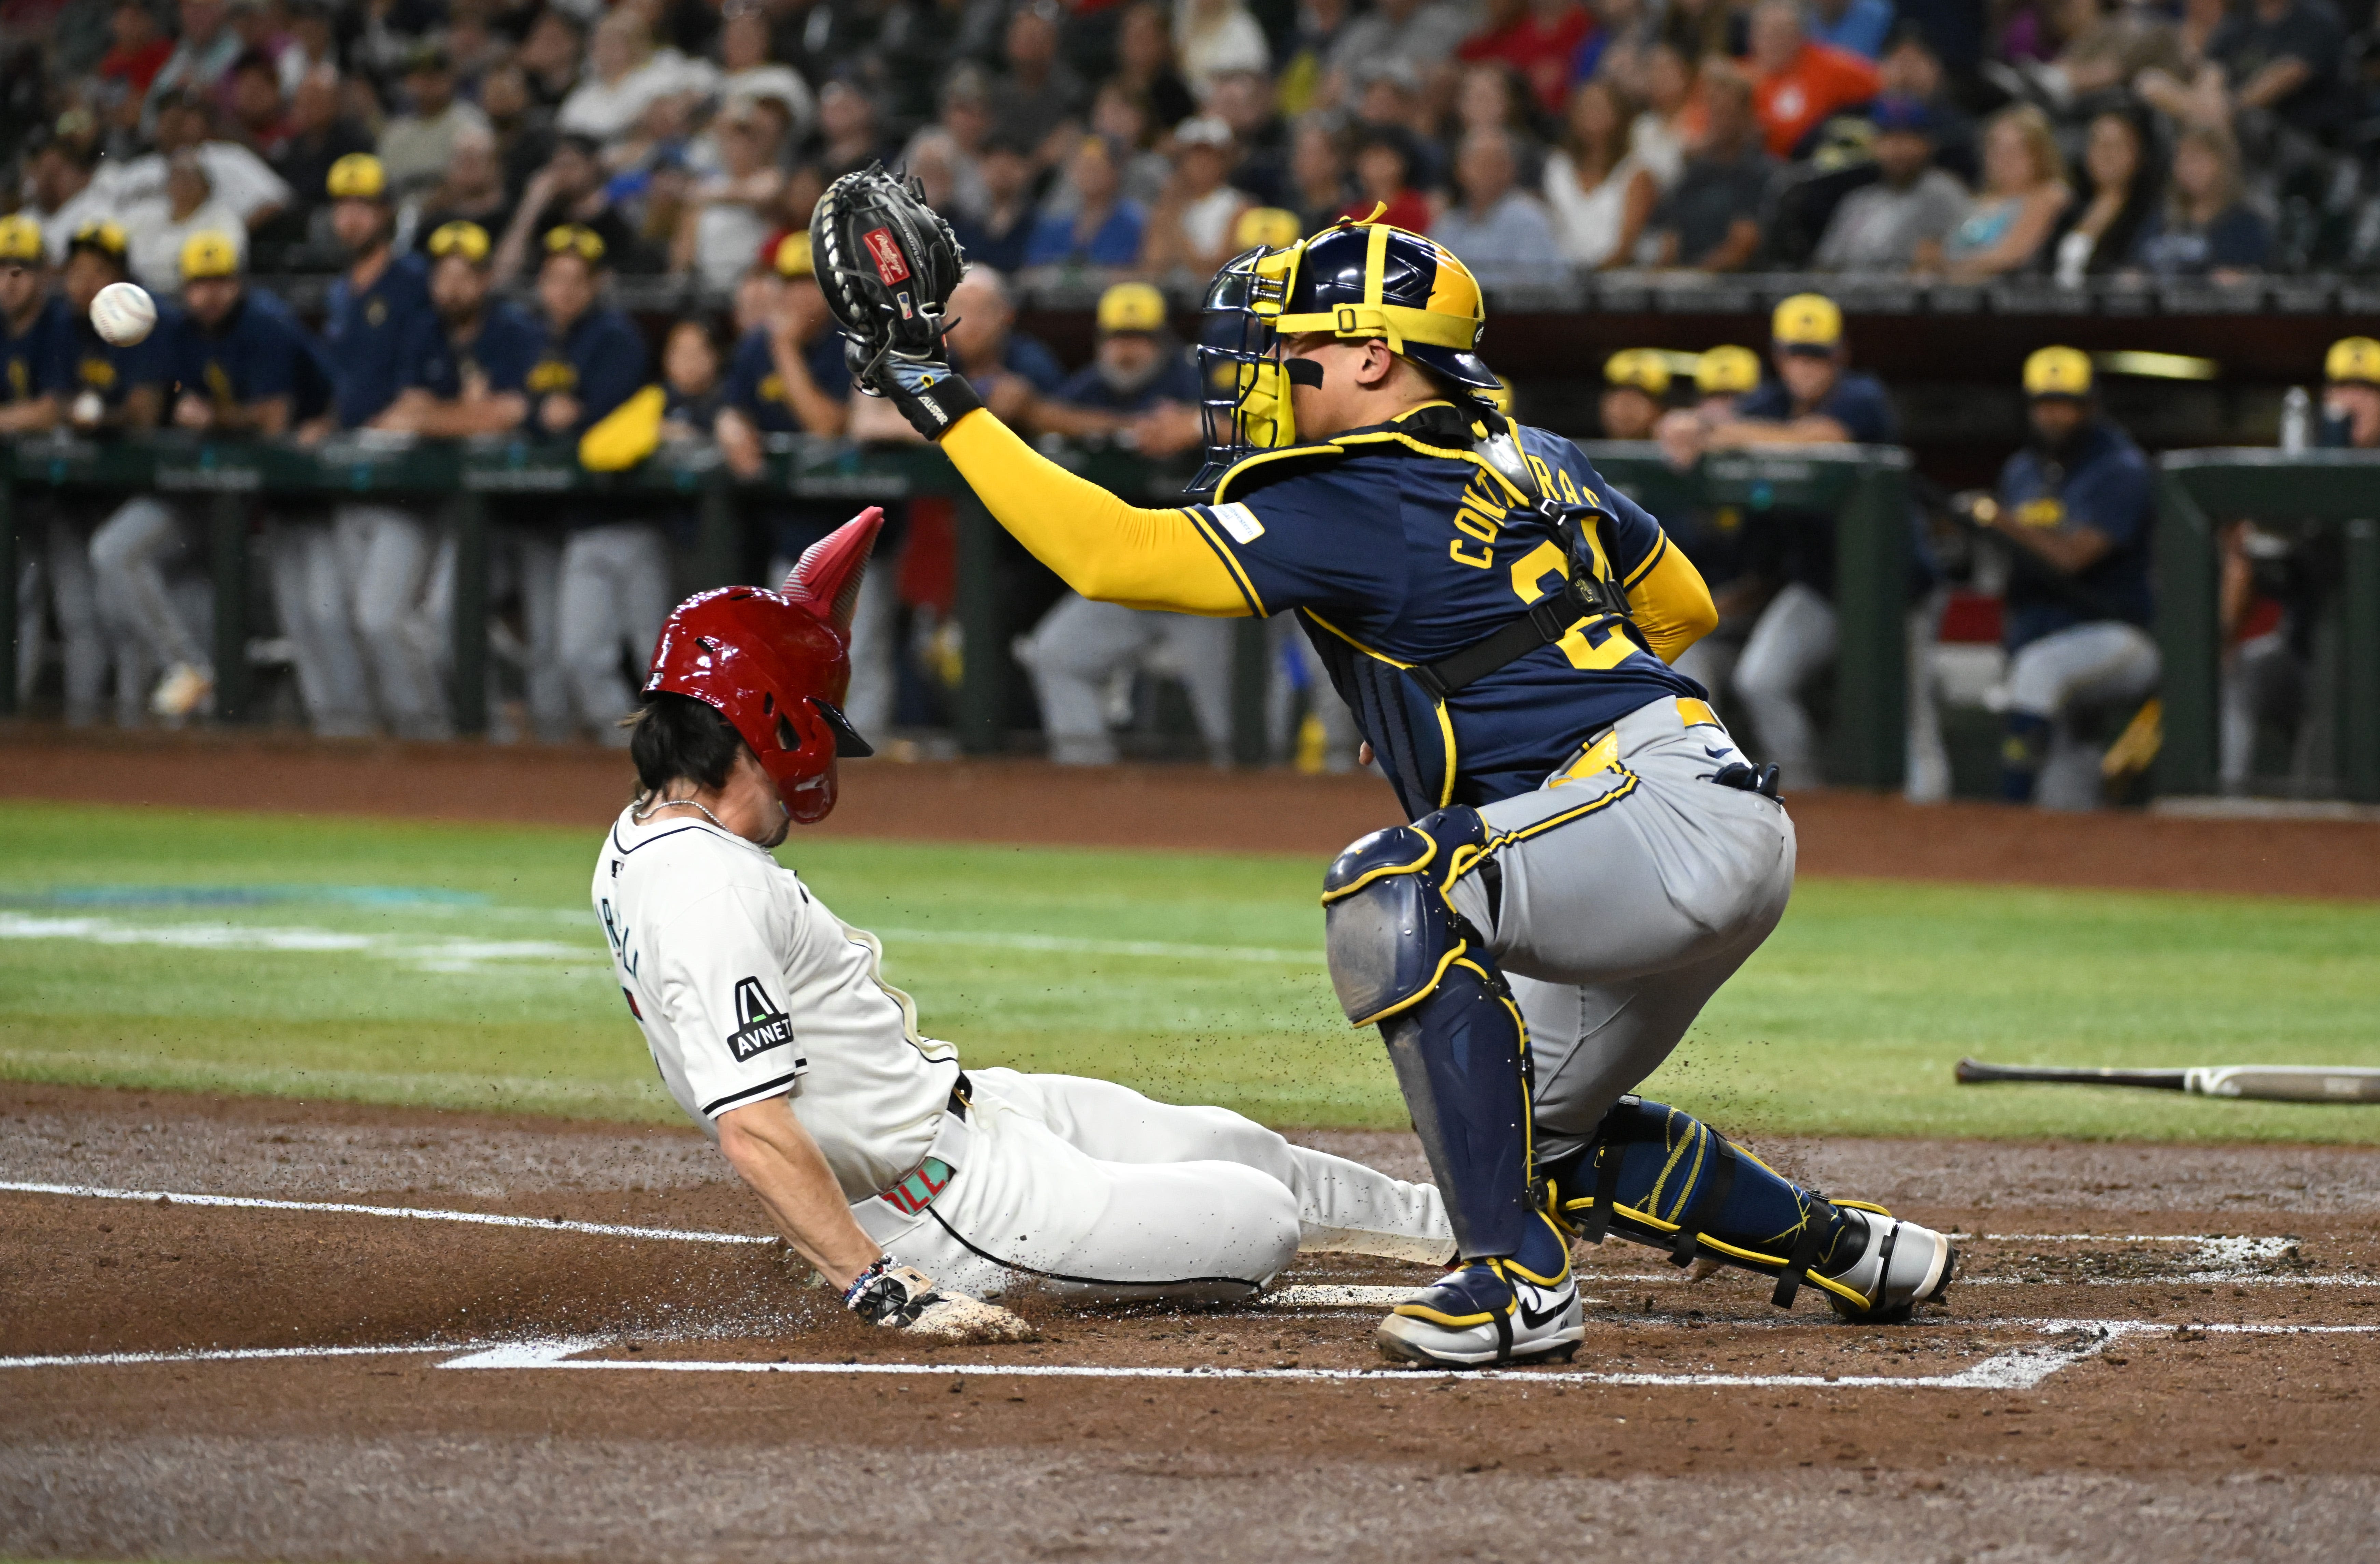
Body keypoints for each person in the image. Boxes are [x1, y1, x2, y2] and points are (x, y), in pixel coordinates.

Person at [823, 183, 1956, 1365]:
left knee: (1395, 887)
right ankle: (1856, 1251)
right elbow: (1680, 604)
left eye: (1297, 348)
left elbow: (1111, 555)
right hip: (1679, 804)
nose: (1270, 373)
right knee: (1538, 1151)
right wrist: (1498, 673)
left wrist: (929, 391)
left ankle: (1516, 1286)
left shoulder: (1356, 485)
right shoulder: (1537, 451)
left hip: (1653, 818)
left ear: (1374, 358)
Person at [596, 519, 1450, 1323]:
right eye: (812, 716)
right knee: (1261, 1217)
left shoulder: (648, 836)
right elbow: (752, 1122)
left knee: (1243, 1145)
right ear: (770, 720)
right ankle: (860, 1248)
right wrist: (876, 1281)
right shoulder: (704, 889)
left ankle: (1469, 1223)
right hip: (952, 1213)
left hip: (978, 1113)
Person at [1658, 293, 1897, 788]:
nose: (1806, 367)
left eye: (1818, 354)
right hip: (1819, 582)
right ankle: (1805, 793)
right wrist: (1689, 423)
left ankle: (1924, 828)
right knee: (1761, 678)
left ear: (1841, 355)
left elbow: (1824, 438)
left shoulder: (1863, 396)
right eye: (1796, 354)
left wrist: (1722, 435)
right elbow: (1706, 424)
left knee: (1908, 718)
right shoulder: (1771, 402)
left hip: (1893, 587)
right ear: (1779, 356)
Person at [88, 230, 322, 726]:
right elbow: (151, 408)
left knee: (310, 618)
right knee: (118, 559)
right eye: (199, 284)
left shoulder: (266, 324)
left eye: (219, 282)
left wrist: (213, 417)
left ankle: (200, 682)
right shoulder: (177, 330)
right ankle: (190, 672)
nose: (210, 294)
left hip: (290, 495)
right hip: (204, 492)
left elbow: (275, 419)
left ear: (238, 283)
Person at [1015, 282, 1223, 766]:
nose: (1127, 350)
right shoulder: (1095, 383)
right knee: (1056, 654)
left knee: (1232, 723)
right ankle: (1092, 794)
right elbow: (1046, 414)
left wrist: (1193, 425)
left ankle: (1260, 817)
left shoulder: (1192, 378)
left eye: (1140, 338)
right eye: (1117, 338)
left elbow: (1255, 426)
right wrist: (1122, 429)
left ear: (1161, 342)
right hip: (1130, 579)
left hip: (1207, 583)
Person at [1978, 347, 2157, 809]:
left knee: (2039, 670)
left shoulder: (2122, 467)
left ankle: (2008, 808)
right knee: (2067, 801)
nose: (2055, 414)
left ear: (2091, 405)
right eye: (2045, 402)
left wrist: (2003, 522)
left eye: (2067, 402)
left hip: (2119, 634)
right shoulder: (2021, 470)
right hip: (2045, 631)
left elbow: (2074, 556)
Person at [302, 153, 440, 740]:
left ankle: (432, 737)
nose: (352, 218)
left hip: (405, 476)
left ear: (385, 212)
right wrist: (328, 422)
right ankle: (370, 746)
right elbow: (347, 385)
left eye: (363, 205)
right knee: (339, 617)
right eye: (343, 206)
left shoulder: (410, 283)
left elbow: (419, 389)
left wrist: (370, 428)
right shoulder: (340, 292)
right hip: (352, 471)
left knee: (383, 618)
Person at [525, 224, 655, 746]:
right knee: (579, 654)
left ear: (596, 283)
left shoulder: (616, 336)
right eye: (555, 279)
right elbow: (523, 410)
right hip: (582, 525)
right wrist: (541, 413)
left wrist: (557, 417)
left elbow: (601, 422)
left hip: (637, 517)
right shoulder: (539, 337)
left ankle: (686, 760)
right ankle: (628, 752)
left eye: (576, 280)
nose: (565, 291)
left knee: (658, 659)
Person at [1, 215, 78, 711]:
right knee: (19, 597)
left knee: (79, 611)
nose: (10, 281)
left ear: (44, 275)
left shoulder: (61, 325)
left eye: (22, 269)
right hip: (20, 489)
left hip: (74, 494)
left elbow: (53, 408)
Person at [1809, 96, 1969, 273]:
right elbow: (1824, 268)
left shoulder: (1943, 194)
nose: (1897, 150)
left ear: (1927, 144)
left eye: (1907, 139)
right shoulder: (1858, 201)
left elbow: (1948, 263)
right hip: (1848, 296)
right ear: (1875, 145)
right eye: (1889, 139)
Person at [1644, 68, 1773, 272]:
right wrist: (1660, 276)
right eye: (1714, 109)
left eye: (1728, 111)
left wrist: (1694, 277)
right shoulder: (1694, 173)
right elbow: (1670, 235)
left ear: (1746, 115)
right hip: (1682, 283)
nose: (1720, 119)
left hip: (1736, 287)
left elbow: (1742, 246)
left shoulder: (1760, 173)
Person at [1936, 104, 2068, 281]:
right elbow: (1941, 254)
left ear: (2039, 154)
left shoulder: (2048, 195)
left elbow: (2010, 257)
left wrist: (1948, 270)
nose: (2005, 160)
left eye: (2017, 150)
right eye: (1997, 150)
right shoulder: (1978, 200)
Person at [2128, 123, 2268, 281]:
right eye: (2183, 160)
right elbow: (2136, 265)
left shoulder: (2244, 225)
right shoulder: (2161, 219)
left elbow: (2249, 278)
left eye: (2198, 159)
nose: (2189, 169)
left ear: (2223, 165)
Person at [1543, 80, 1658, 270]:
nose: (1593, 115)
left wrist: (1591, 277)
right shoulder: (1557, 167)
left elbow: (1626, 246)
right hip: (1560, 280)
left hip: (1615, 282)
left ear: (1620, 115)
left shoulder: (1636, 172)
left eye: (1602, 107)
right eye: (1587, 107)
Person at [1747, 0, 1880, 159]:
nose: (1776, 43)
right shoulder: (1739, 76)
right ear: (1753, 38)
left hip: (1807, 166)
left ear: (1801, 36)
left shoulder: (1830, 68)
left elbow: (1879, 84)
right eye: (1768, 35)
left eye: (1784, 34)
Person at [2043, 107, 2158, 286]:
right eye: (2097, 143)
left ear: (2139, 153)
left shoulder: (2151, 214)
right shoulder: (2070, 208)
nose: (2105, 154)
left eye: (2116, 145)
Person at [1140, 116, 1250, 279]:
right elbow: (1153, 265)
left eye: (1209, 156)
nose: (1200, 164)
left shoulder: (1239, 207)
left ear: (1224, 161)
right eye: (1193, 156)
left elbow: (1222, 270)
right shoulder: (1169, 205)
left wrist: (1176, 231)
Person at [1022, 136, 1146, 269]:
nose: (1089, 175)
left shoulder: (1134, 222)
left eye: (1096, 168)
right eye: (1083, 167)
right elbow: (1033, 269)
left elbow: (1145, 270)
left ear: (1115, 171)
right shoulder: (1055, 225)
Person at [1598, 347, 1669, 438]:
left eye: (1638, 400)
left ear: (1659, 409)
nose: (1627, 410)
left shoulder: (1670, 452)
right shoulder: (1580, 449)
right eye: (1620, 396)